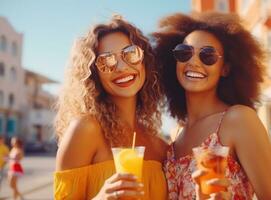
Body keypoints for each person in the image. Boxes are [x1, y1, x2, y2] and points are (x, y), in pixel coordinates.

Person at [153, 12, 271, 200]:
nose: (193, 62)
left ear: (225, 68)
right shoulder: (176, 135)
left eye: (207, 55)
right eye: (184, 53)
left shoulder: (239, 119)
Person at [54, 15, 169, 200]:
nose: (122, 67)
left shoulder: (160, 146)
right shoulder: (86, 130)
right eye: (106, 60)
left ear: (145, 62)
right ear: (94, 74)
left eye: (131, 53)